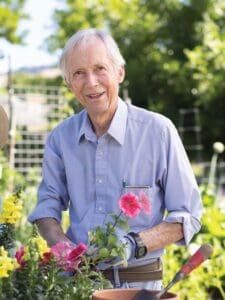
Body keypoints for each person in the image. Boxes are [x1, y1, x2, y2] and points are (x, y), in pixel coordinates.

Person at [28, 28, 203, 290]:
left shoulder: (157, 131)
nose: (91, 82)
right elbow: (47, 206)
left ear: (119, 72)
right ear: (68, 82)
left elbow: (187, 216)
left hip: (139, 288)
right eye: (78, 73)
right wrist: (63, 248)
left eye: (100, 68)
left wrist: (134, 244)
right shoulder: (60, 138)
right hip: (78, 287)